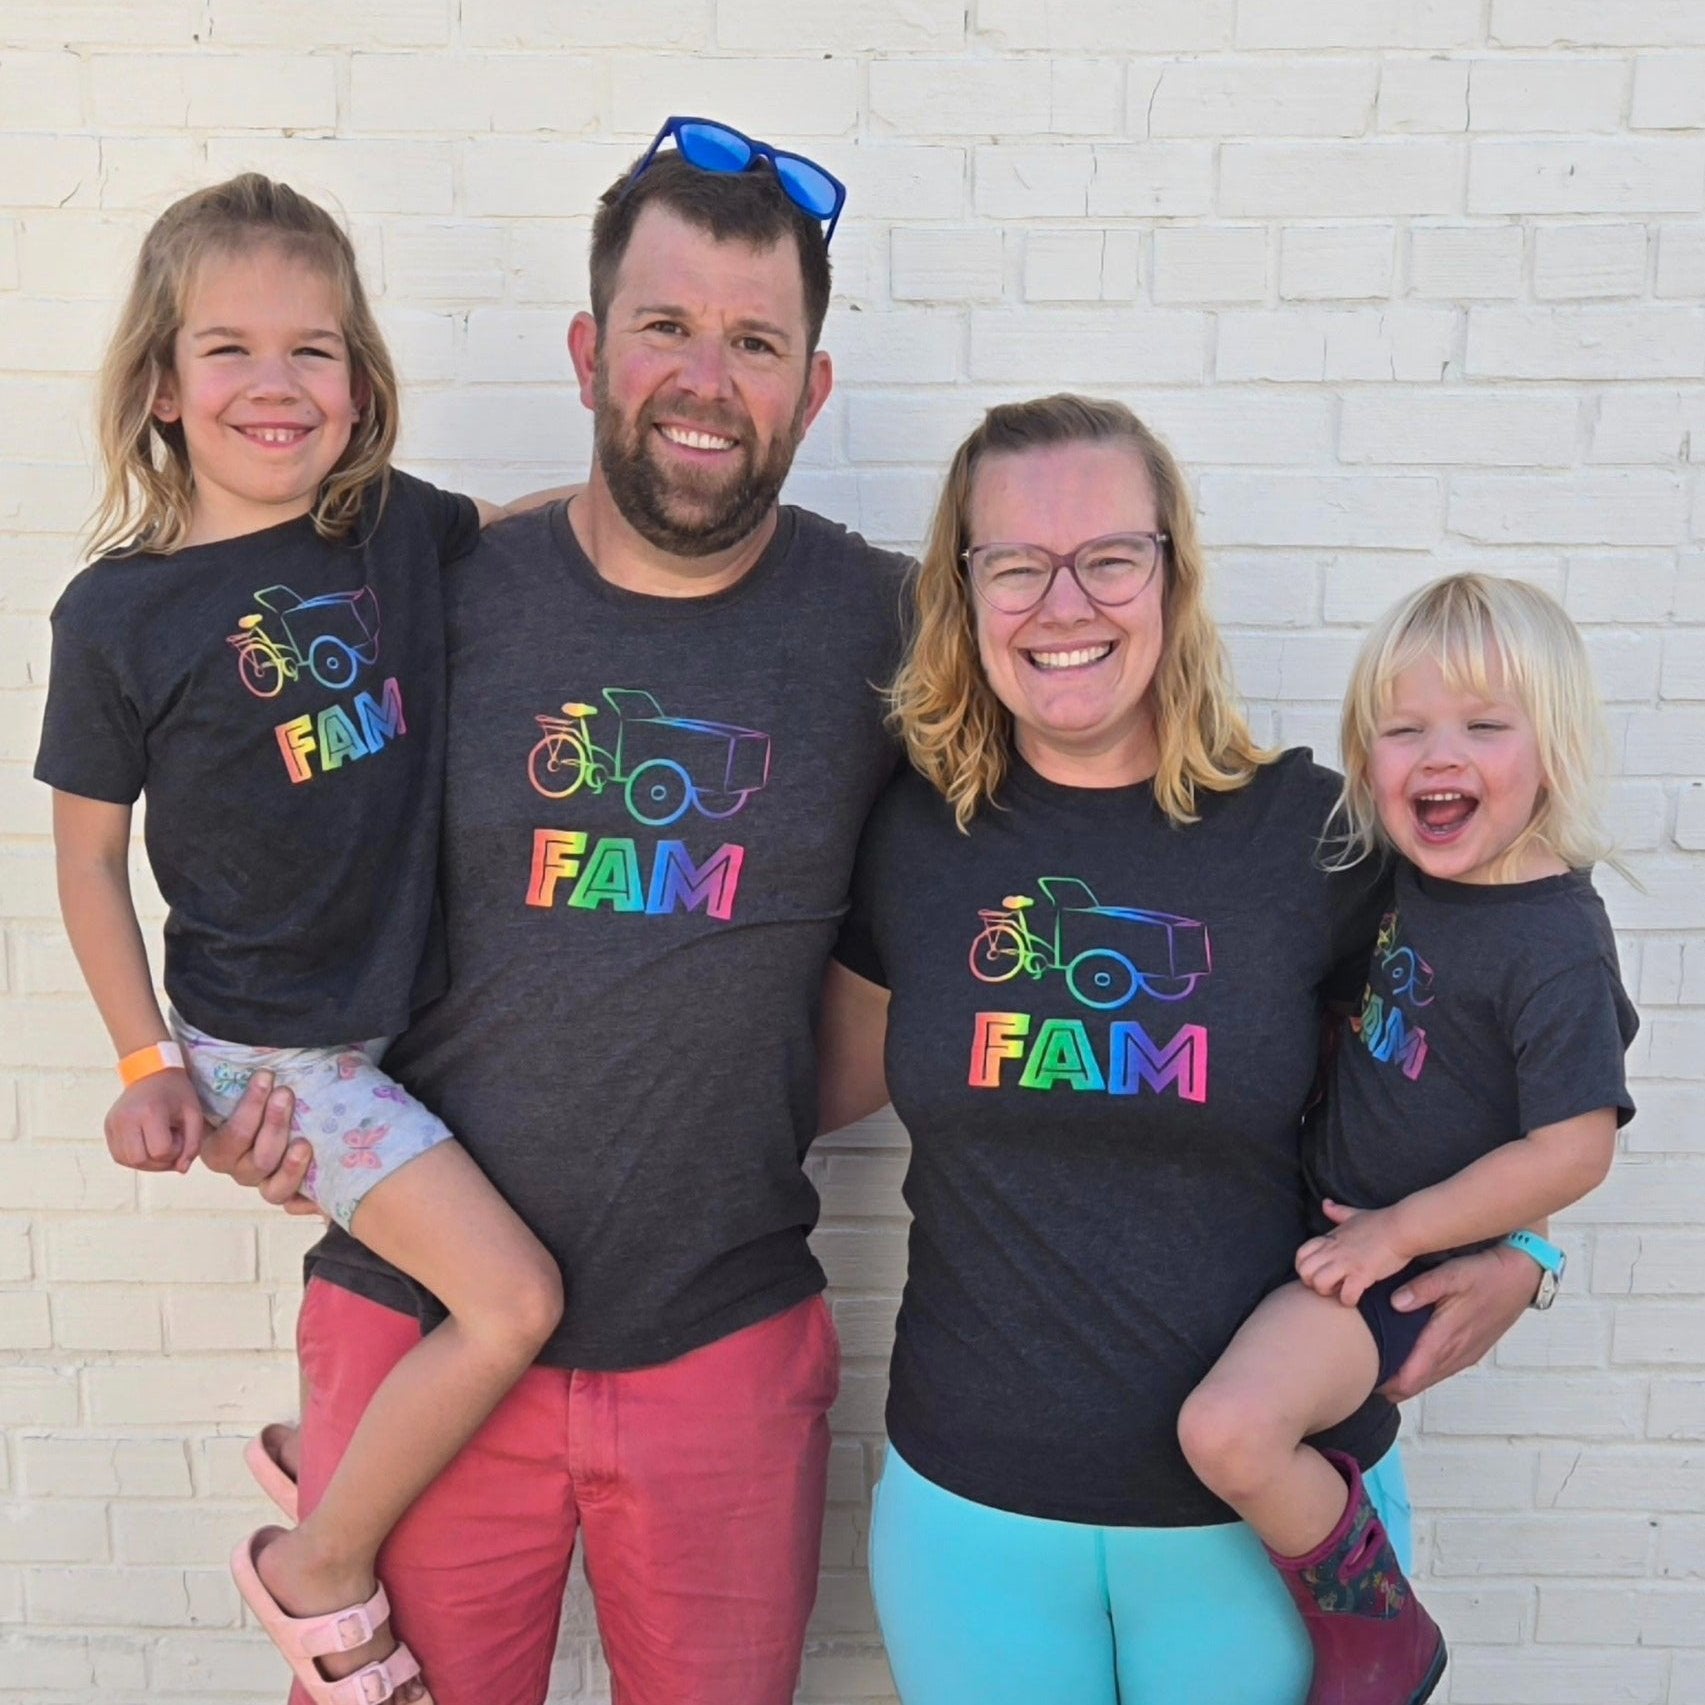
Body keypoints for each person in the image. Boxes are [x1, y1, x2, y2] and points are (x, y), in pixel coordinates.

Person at [199, 119, 909, 1705]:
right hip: (421, 1330)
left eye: (755, 341)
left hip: (720, 1340)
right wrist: (264, 1083)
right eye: (664, 327)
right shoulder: (429, 595)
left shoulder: (891, 627)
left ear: (813, 385)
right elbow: (256, 844)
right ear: (591, 350)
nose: (705, 377)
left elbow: (1123, 829)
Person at [814, 395, 1547, 1705]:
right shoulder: (913, 840)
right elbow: (796, 1080)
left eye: (1108, 556)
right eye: (1016, 563)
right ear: (964, 589)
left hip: (1266, 1528)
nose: (1064, 601)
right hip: (977, 1521)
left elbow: (1505, 1038)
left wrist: (1526, 1251)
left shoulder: (1310, 838)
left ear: (1171, 572)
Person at [33, 174, 580, 1705]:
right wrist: (150, 1061)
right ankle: (322, 1560)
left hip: (416, 1018)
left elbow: (527, 536)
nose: (275, 385)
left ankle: (345, 1436)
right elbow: (84, 859)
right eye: (229, 349)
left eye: (314, 350)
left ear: (362, 384)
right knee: (516, 1300)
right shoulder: (118, 618)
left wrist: (655, 502)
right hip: (272, 1047)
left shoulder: (394, 533)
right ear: (159, 385)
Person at [1178, 573, 1635, 1705]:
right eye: (1403, 728)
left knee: (1228, 1430)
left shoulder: (1554, 942)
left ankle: (1381, 1631)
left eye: (1483, 726)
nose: (1440, 755)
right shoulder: (1406, 878)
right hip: (1337, 1229)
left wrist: (1400, 1236)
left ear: (1553, 747)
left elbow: (1574, 1148)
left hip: (1398, 1270)